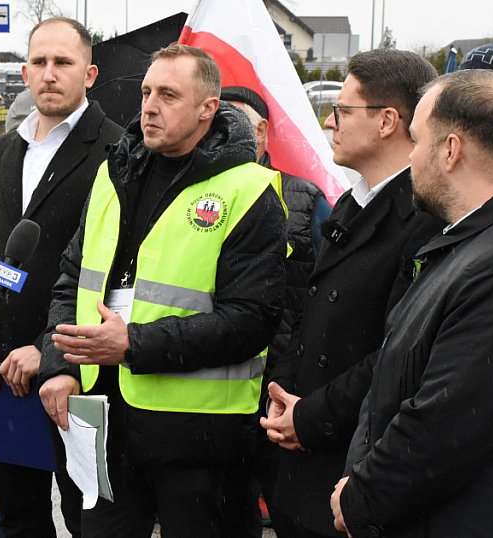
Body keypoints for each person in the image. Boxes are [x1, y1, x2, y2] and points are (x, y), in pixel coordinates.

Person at [38, 43, 287, 537]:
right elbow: (71, 280)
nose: (148, 105)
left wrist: (134, 344)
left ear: (207, 108)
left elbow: (252, 319)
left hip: (198, 439)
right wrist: (61, 366)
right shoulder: (114, 174)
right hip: (105, 421)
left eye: (168, 95)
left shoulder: (248, 189)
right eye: (146, 91)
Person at [260, 49, 444, 538]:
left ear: (387, 121)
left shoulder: (423, 219)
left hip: (349, 463)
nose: (328, 120)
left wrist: (312, 416)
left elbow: (396, 354)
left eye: (342, 109)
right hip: (304, 457)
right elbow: (308, 317)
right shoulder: (353, 201)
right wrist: (283, 398)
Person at [0, 17, 123, 538]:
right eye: (40, 63)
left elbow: (115, 271)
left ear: (89, 73)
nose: (50, 74)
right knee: (18, 517)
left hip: (76, 376)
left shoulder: (117, 152)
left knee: (89, 520)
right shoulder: (5, 151)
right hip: (0, 376)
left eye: (64, 63)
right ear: (25, 72)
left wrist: (46, 348)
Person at [331, 68, 493, 538]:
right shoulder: (456, 248)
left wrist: (363, 495)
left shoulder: (485, 266)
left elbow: (445, 423)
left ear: (450, 151)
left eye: (418, 141)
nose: (412, 157)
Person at [220, 86, 331, 536]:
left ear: (263, 131)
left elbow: (330, 293)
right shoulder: (195, 199)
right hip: (214, 389)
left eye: (236, 118)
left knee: (289, 510)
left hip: (279, 388)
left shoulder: (306, 200)